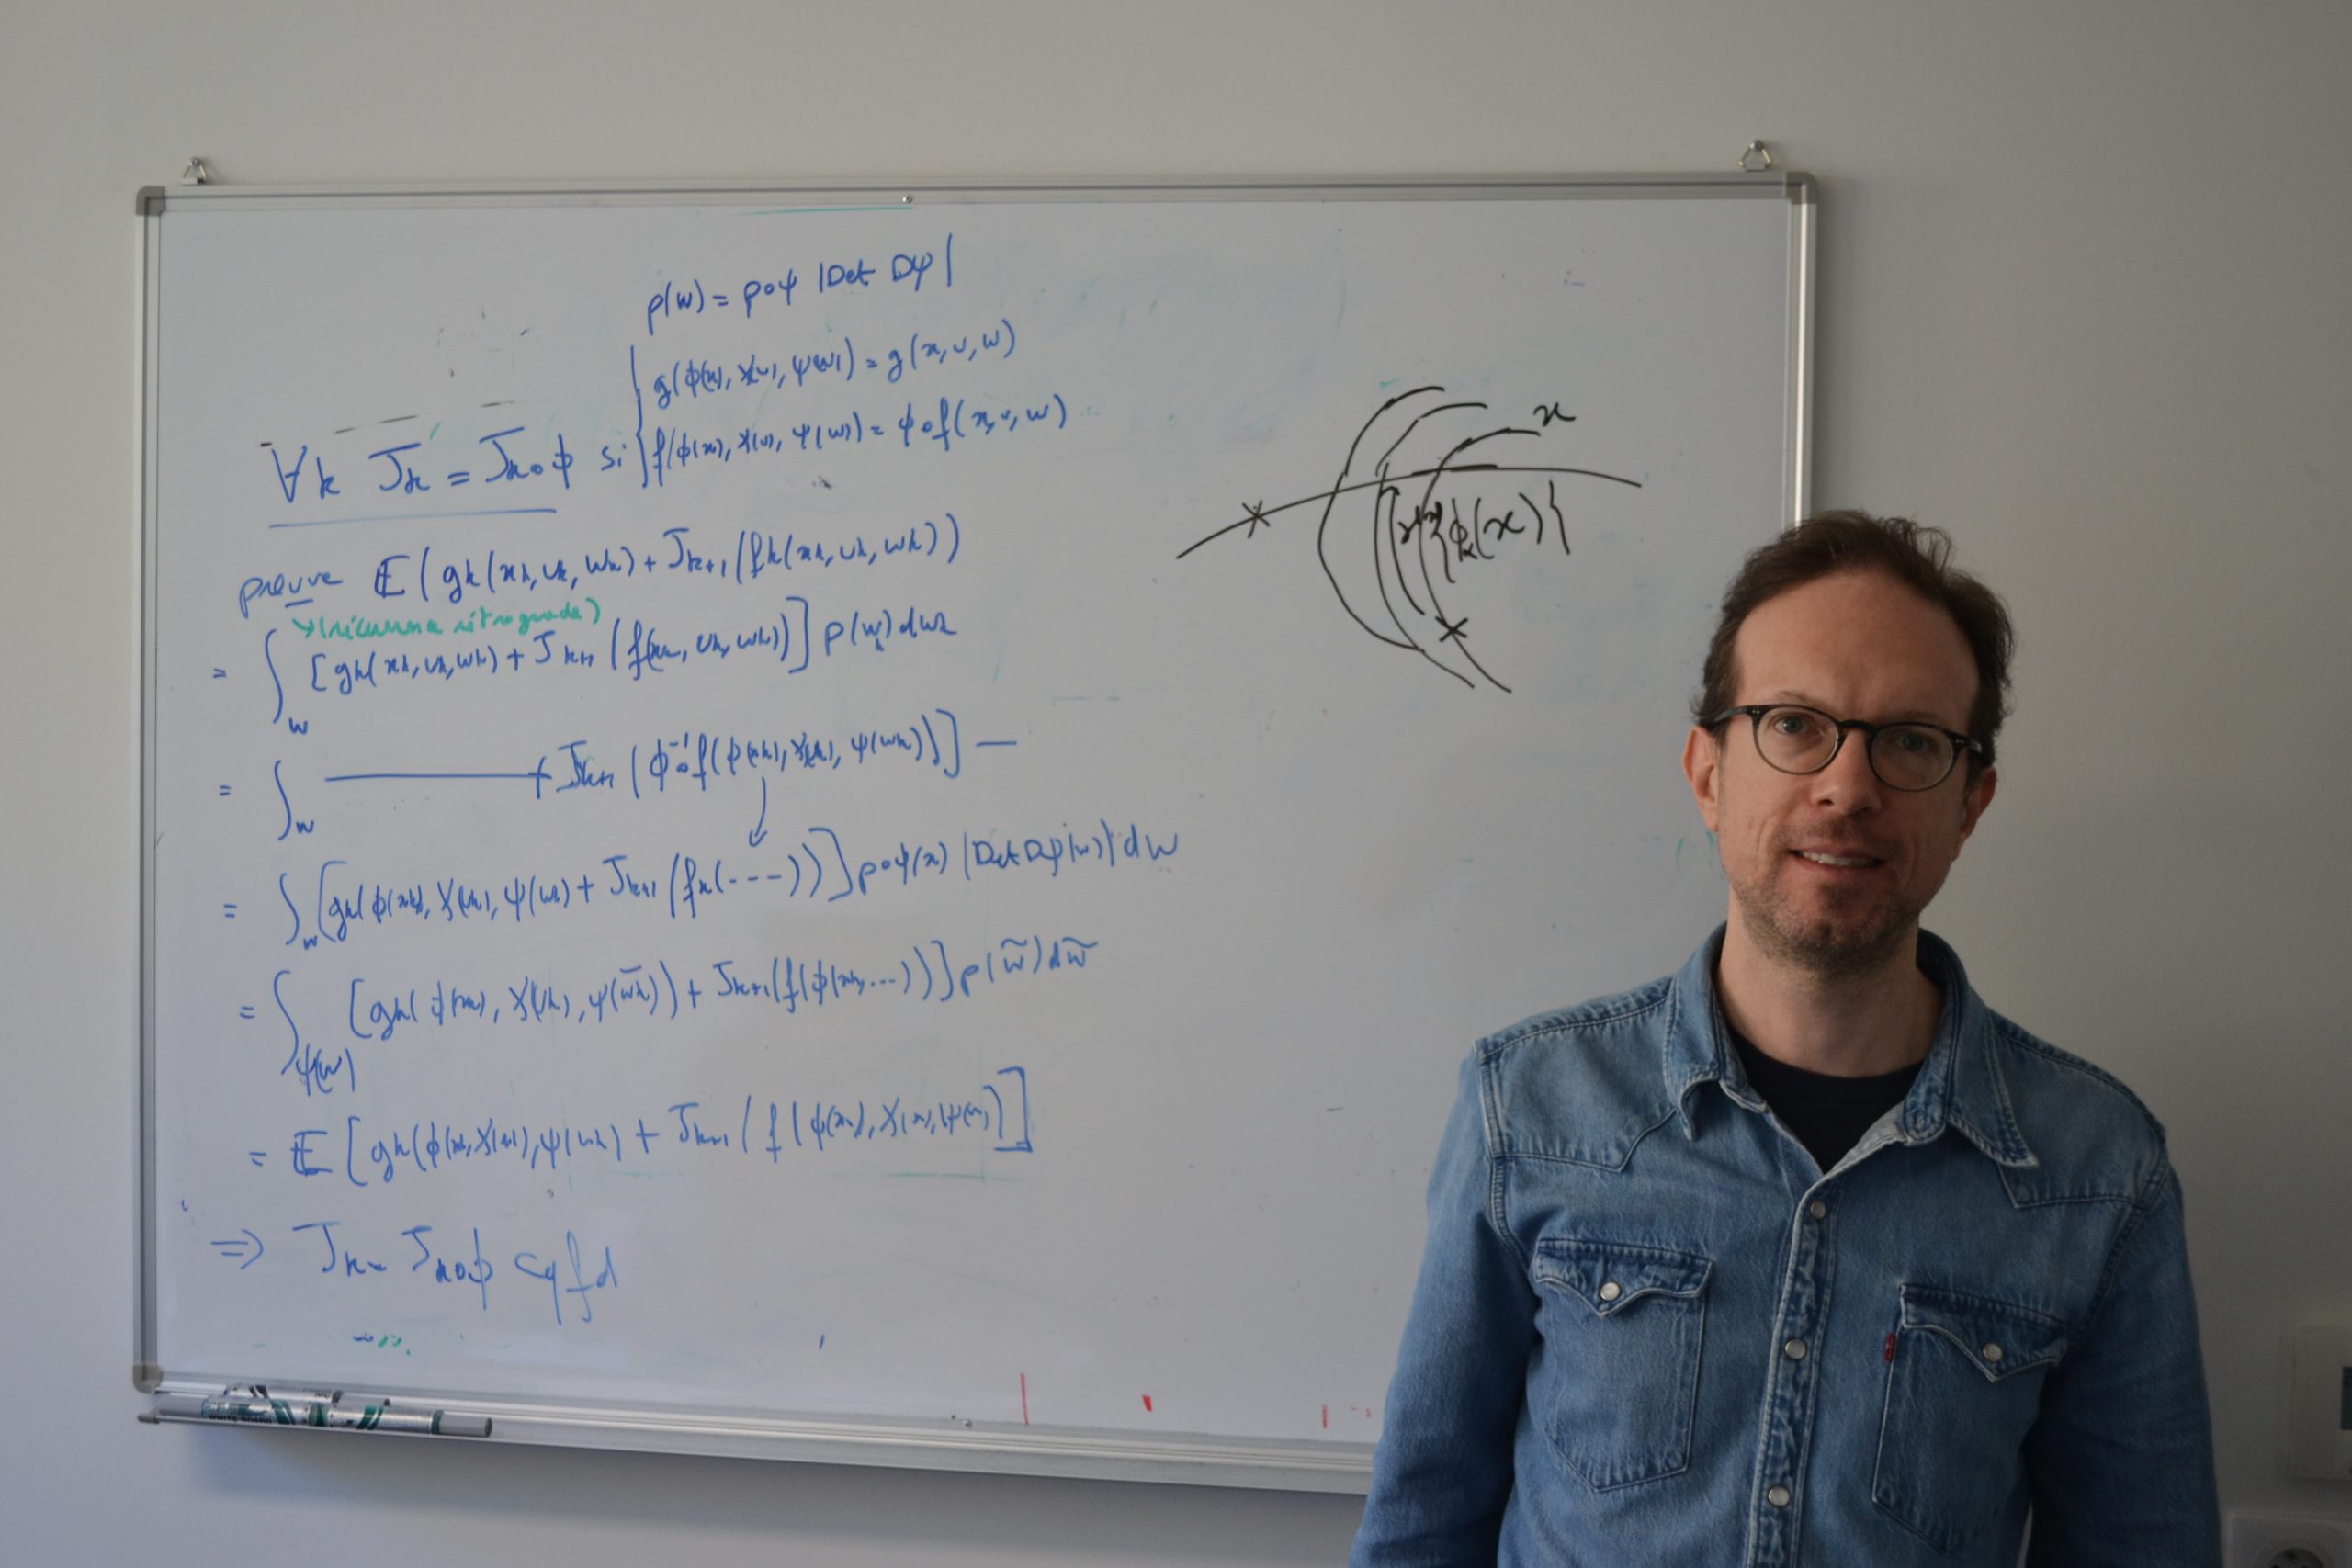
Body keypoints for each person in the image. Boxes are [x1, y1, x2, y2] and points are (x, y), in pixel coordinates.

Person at [1350, 513, 2219, 1566]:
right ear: (1707, 773)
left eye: (1910, 740)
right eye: (1795, 724)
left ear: (1970, 803)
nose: (1847, 788)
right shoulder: (1529, 1107)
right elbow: (1422, 1521)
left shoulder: (2096, 1170)